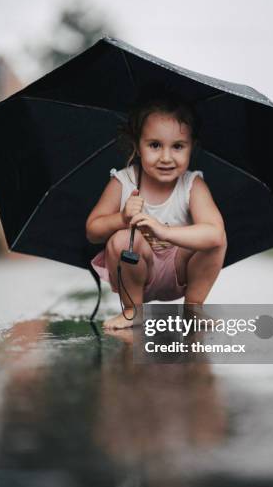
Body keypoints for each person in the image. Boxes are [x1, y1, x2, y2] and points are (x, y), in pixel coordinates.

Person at [86, 89, 227, 330]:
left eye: (178, 146)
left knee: (215, 240)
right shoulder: (123, 182)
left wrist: (164, 232)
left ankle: (193, 308)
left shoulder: (193, 184)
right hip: (136, 267)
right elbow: (93, 231)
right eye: (154, 145)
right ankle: (133, 310)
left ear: (192, 147)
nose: (166, 157)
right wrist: (121, 218)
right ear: (137, 146)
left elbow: (214, 233)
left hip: (180, 271)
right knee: (121, 240)